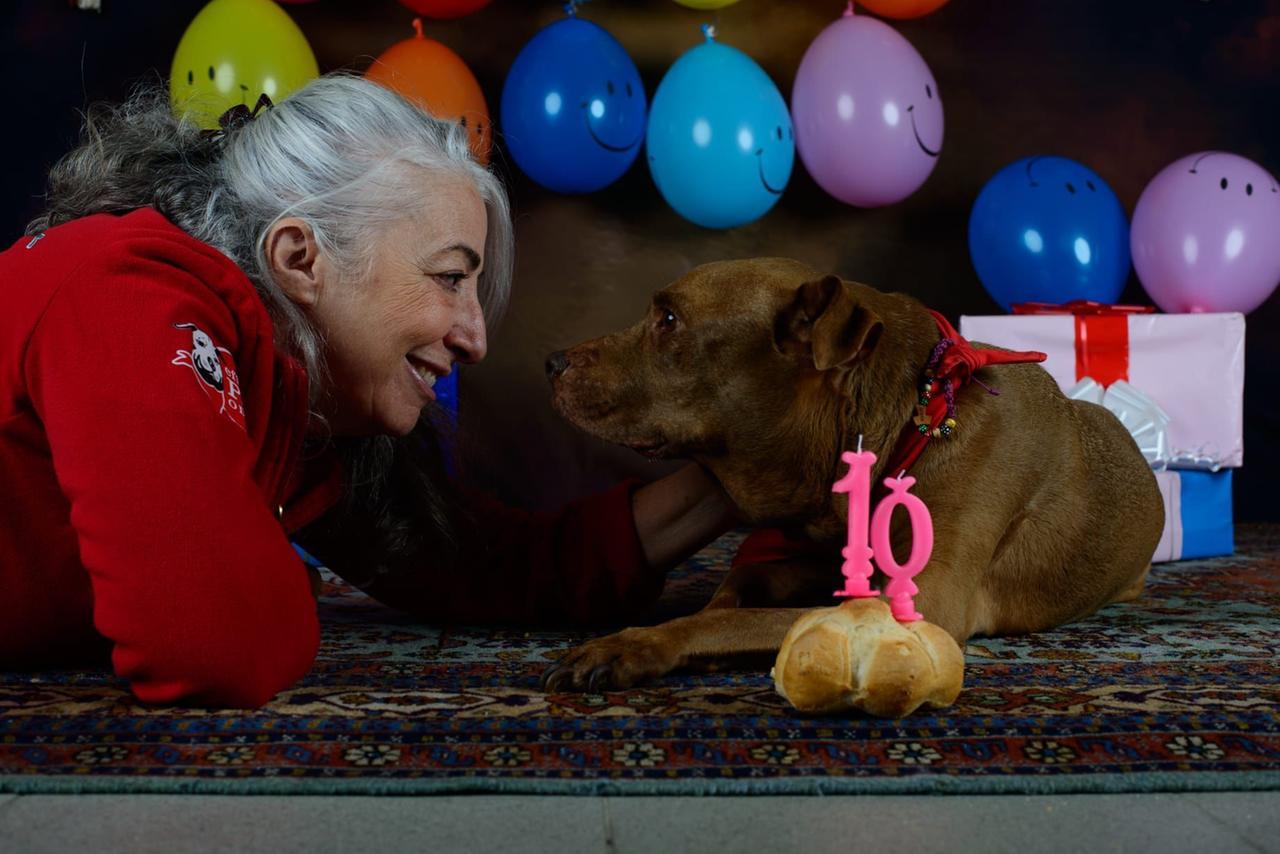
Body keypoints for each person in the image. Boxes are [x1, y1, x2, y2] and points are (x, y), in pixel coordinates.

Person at [0, 75, 736, 708]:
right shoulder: (126, 288)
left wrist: (736, 479)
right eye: (449, 277)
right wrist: (280, 582)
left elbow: (486, 567)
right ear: (300, 258)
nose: (475, 339)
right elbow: (212, 648)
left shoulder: (296, 396)